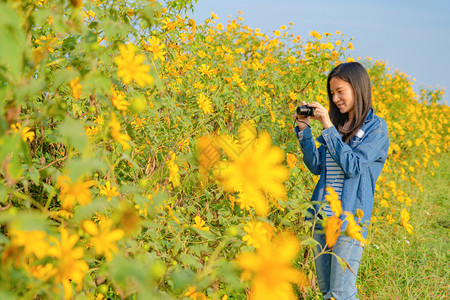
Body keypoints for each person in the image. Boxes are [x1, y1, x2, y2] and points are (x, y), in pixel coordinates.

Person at [293, 62, 389, 300]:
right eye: (332, 93)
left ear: (358, 88)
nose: (335, 99)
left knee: (342, 294)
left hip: (348, 222)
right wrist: (304, 130)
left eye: (340, 91)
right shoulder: (338, 126)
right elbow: (316, 166)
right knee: (327, 293)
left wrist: (327, 126)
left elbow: (353, 166)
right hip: (321, 217)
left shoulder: (376, 128)